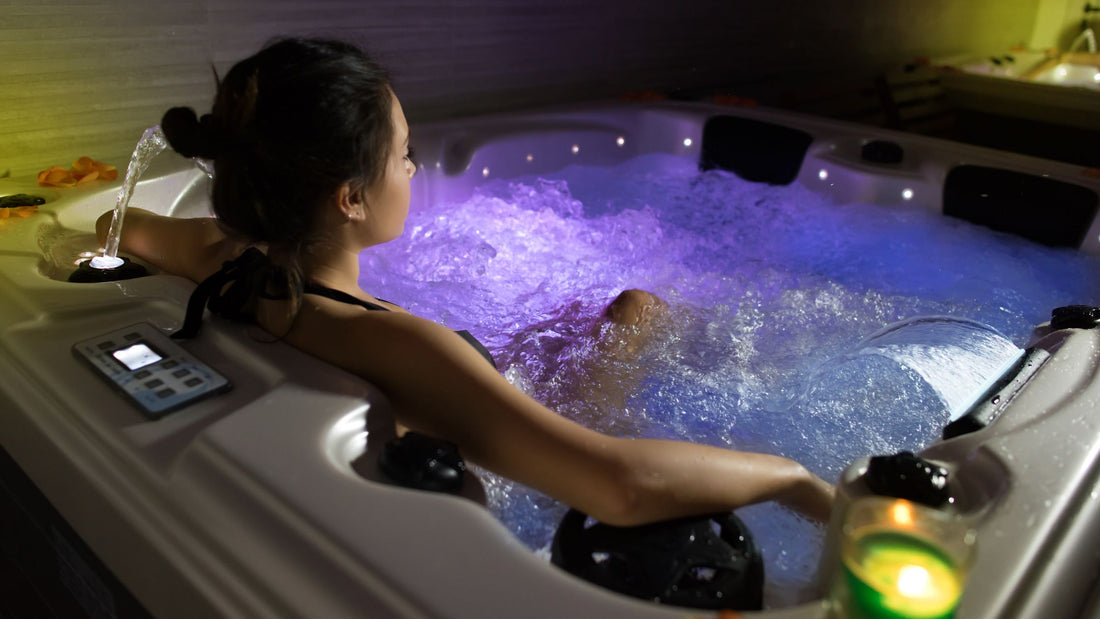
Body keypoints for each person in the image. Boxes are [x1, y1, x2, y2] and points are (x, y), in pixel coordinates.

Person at [97, 37, 833, 526]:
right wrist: (791, 477)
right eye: (404, 152)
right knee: (641, 308)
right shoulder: (399, 342)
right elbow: (620, 484)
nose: (414, 169)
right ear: (349, 198)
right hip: (524, 447)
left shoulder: (224, 261)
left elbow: (116, 228)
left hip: (465, 394)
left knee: (597, 313)